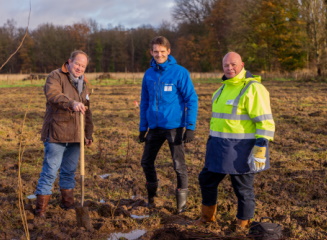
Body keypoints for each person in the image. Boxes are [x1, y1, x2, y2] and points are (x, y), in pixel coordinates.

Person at [196, 52, 275, 228]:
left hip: (242, 148)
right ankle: (207, 218)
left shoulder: (253, 88)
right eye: (226, 65)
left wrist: (261, 146)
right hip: (218, 147)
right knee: (206, 180)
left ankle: (243, 225)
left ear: (242, 64)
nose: (229, 68)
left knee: (242, 188)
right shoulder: (221, 89)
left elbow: (265, 120)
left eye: (233, 64)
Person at [139, 36, 198, 213]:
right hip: (154, 127)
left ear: (168, 52)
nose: (159, 55)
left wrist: (190, 126)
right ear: (151, 52)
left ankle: (181, 206)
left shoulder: (180, 72)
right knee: (146, 162)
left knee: (178, 165)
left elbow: (191, 99)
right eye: (156, 52)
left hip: (174, 127)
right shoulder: (148, 74)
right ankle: (152, 198)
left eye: (162, 52)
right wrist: (143, 128)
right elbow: (145, 102)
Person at [34, 50, 94, 217]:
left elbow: (87, 111)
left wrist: (88, 134)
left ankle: (68, 205)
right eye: (77, 64)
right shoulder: (55, 76)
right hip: (56, 132)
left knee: (69, 171)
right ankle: (41, 211)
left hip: (76, 135)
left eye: (83, 66)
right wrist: (72, 103)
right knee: (50, 170)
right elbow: (53, 95)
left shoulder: (85, 83)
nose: (80, 68)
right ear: (69, 62)